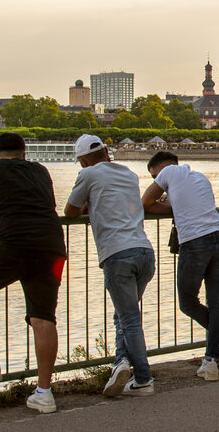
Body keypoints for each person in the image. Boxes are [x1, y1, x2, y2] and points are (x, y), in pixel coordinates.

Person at [0, 132, 66, 414]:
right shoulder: (40, 171)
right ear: (24, 153)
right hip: (53, 247)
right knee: (43, 316)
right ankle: (44, 392)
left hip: (16, 243)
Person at [141, 151, 219, 381]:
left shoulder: (168, 173)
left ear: (162, 167)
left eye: (154, 176)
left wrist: (167, 205)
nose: (156, 181)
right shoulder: (200, 178)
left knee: (188, 302)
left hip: (195, 242)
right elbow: (183, 206)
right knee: (216, 302)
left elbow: (146, 203)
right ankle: (211, 361)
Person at [64, 134, 156, 397]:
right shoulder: (129, 174)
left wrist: (88, 208)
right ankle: (121, 363)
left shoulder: (88, 175)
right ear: (106, 151)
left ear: (82, 161)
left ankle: (143, 379)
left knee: (128, 319)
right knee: (125, 315)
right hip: (144, 251)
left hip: (117, 254)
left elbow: (70, 211)